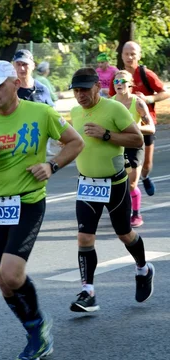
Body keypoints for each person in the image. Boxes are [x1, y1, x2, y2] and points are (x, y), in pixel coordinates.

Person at [0, 60, 84, 360]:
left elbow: (75, 142)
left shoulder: (41, 113)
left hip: (28, 200)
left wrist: (51, 165)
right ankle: (33, 327)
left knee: (12, 273)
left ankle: (37, 328)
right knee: (3, 281)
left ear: (14, 83)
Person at [68, 67, 155, 313]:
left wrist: (106, 134)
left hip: (114, 183)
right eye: (76, 91)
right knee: (84, 237)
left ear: (97, 86)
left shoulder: (114, 108)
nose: (80, 95)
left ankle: (143, 269)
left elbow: (137, 139)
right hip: (86, 184)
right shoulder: (74, 112)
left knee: (124, 233)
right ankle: (88, 292)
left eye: (84, 90)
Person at [109, 41, 170, 196]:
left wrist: (147, 99)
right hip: (122, 129)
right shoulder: (117, 77)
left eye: (133, 54)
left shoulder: (146, 74)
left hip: (144, 124)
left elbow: (165, 92)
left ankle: (145, 176)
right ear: (121, 55)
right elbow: (112, 98)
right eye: (126, 54)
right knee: (123, 168)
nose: (129, 57)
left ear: (139, 55)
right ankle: (129, 194)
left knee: (147, 164)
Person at [111, 70, 155, 227]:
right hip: (117, 145)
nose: (119, 84)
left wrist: (135, 128)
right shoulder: (111, 103)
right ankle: (121, 210)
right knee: (117, 183)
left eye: (123, 81)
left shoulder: (138, 103)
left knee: (131, 184)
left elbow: (151, 128)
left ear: (130, 84)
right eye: (116, 81)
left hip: (134, 145)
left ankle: (136, 214)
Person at [12, 50, 55, 156]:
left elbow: (51, 115)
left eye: (25, 64)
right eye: (18, 64)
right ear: (13, 66)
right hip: (13, 146)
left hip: (36, 146)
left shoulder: (42, 89)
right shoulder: (8, 89)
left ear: (33, 66)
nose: (21, 68)